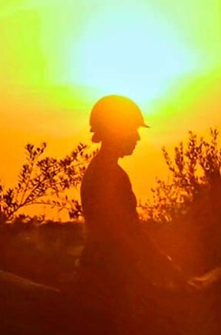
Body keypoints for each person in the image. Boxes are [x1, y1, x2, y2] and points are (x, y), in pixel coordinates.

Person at [79, 94, 184, 291]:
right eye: (132, 129)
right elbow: (129, 234)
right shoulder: (110, 175)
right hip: (114, 277)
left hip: (104, 271)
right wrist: (168, 267)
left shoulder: (101, 170)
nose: (137, 137)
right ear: (115, 131)